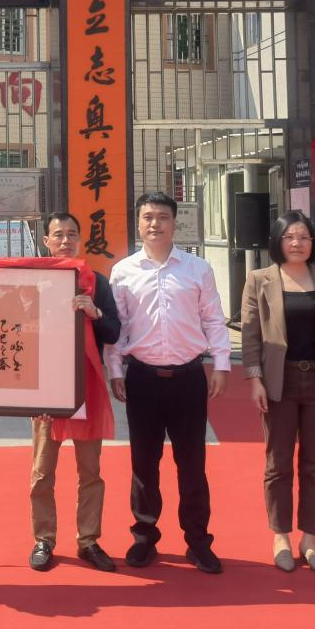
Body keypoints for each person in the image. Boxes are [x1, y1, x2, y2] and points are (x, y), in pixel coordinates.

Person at [106, 191, 232, 574]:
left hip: (188, 379)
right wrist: (116, 371)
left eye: (162, 216)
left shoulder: (197, 269)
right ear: (138, 223)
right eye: (148, 217)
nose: (155, 223)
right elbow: (118, 329)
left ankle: (198, 541)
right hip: (142, 379)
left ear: (175, 223)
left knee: (192, 464)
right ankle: (144, 537)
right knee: (144, 464)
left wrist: (222, 364)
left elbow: (213, 319)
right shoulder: (123, 272)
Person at [241, 210, 315, 575]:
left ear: (312, 242)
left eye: (304, 237)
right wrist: (255, 379)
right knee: (277, 464)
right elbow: (250, 335)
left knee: (314, 466)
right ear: (278, 241)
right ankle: (280, 537)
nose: (297, 243)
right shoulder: (259, 279)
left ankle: (310, 539)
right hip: (280, 382)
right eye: (290, 236)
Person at [29, 212, 121, 573]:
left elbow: (114, 332)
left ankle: (88, 540)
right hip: (46, 387)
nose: (65, 241)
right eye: (58, 235)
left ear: (80, 240)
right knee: (42, 471)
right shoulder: (35, 280)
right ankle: (44, 539)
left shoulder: (96, 282)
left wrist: (94, 312)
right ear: (46, 242)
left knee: (90, 471)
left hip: (86, 387)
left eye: (71, 234)